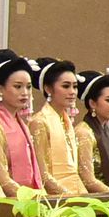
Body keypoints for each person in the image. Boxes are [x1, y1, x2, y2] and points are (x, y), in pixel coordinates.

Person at [0, 52, 42, 198]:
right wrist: (32, 198)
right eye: (18, 86)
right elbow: (2, 178)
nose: (25, 93)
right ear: (0, 89)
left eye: (28, 87)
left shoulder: (22, 123)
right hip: (11, 202)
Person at [28, 59, 87, 197]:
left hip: (74, 196)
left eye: (75, 87)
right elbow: (43, 174)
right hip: (55, 201)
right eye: (66, 86)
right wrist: (71, 199)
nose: (72, 92)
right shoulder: (40, 122)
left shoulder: (66, 122)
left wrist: (85, 198)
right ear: (48, 89)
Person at [78, 71, 109, 195]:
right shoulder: (84, 132)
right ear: (92, 103)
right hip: (97, 202)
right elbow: (88, 180)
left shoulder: (108, 131)